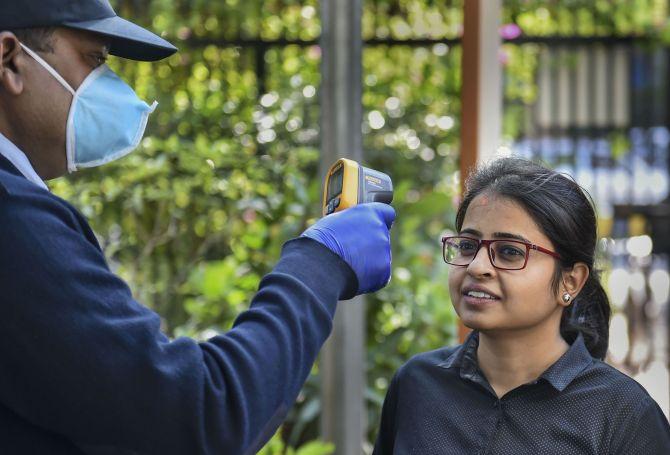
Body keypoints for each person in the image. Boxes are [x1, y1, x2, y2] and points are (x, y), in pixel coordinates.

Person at [0, 1, 395, 454]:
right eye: (96, 59)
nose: (111, 85)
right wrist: (321, 261)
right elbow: (201, 415)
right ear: (10, 59)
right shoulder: (12, 219)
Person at [373, 158, 670, 454]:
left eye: (510, 252)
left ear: (570, 281)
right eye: (467, 245)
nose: (477, 267)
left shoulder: (623, 416)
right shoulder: (417, 385)